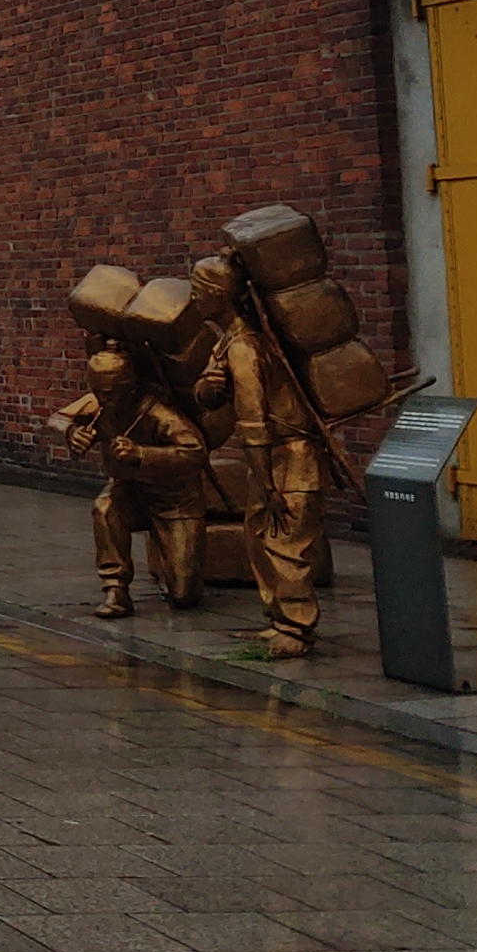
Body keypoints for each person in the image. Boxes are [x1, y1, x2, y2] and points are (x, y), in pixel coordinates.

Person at [194, 251, 325, 659]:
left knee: (286, 543)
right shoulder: (228, 342)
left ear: (219, 296)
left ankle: (297, 628)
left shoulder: (245, 347)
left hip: (287, 456)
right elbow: (209, 395)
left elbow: (253, 422)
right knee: (260, 538)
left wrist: (267, 484)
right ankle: (278, 619)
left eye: (198, 289)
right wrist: (209, 387)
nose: (193, 297)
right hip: (269, 459)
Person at [64, 344, 209, 620]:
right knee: (105, 507)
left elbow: (195, 451)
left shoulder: (159, 413)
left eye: (110, 394)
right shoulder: (99, 405)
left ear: (130, 388)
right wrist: (71, 432)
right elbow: (58, 418)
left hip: (174, 500)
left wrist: (141, 453)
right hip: (129, 491)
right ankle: (115, 589)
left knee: (185, 596)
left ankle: (165, 547)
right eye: (97, 392)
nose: (103, 399)